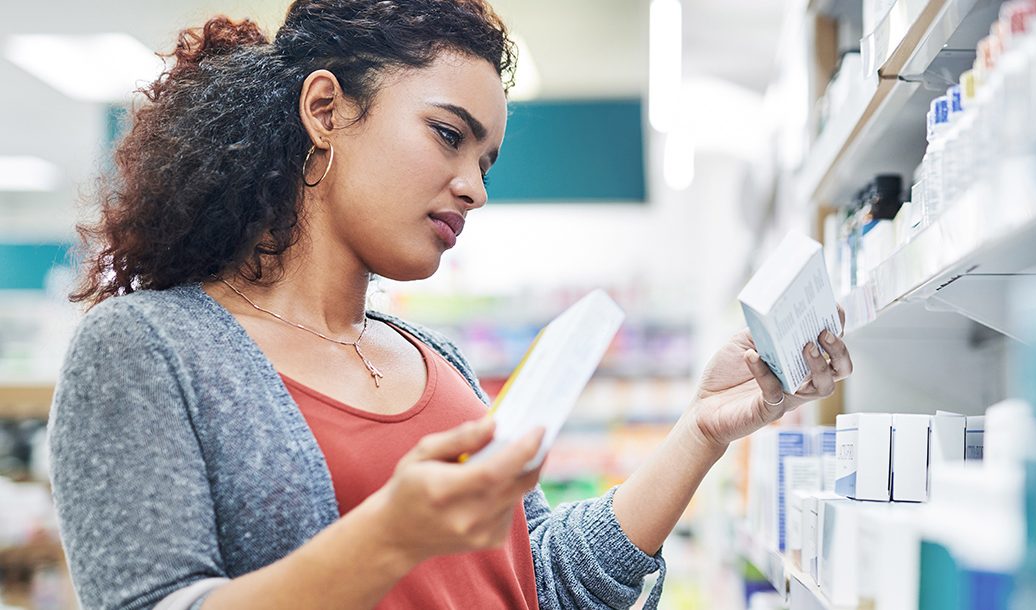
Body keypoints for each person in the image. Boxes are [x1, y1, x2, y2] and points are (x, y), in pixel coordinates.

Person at [49, 1, 854, 609]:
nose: (474, 186)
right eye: (447, 135)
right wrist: (388, 538)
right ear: (326, 111)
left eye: (488, 158)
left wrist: (700, 431)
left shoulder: (441, 364)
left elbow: (539, 577)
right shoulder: (147, 351)